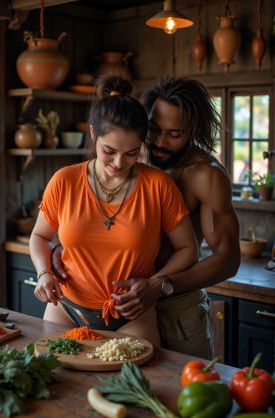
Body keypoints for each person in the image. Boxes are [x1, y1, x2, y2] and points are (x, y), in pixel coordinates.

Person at [51, 76, 241, 359]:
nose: (160, 142)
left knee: (179, 397)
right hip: (116, 306)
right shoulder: (129, 156)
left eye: (174, 134)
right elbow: (89, 215)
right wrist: (59, 249)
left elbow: (228, 259)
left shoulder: (206, 176)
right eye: (153, 130)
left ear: (193, 131)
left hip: (177, 309)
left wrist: (161, 285)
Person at [29, 75, 198, 348]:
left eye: (132, 153)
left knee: (130, 387)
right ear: (93, 133)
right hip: (66, 309)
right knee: (55, 382)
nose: (119, 163)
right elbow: (39, 236)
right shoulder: (65, 180)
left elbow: (189, 249)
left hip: (133, 315)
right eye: (109, 151)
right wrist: (43, 273)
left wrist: (155, 283)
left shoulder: (158, 185)